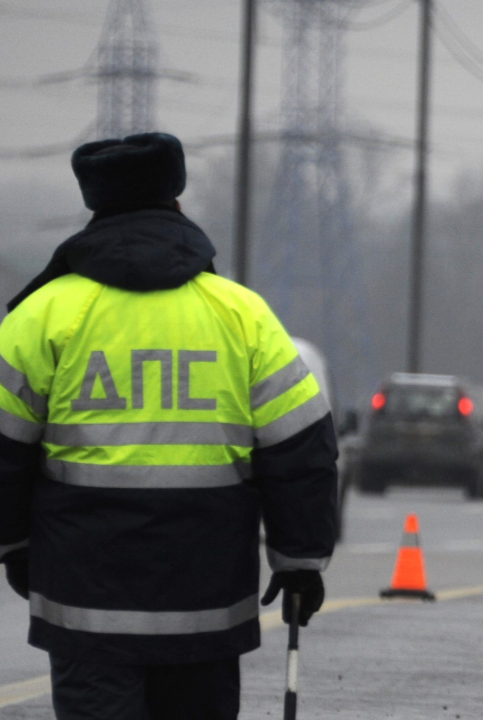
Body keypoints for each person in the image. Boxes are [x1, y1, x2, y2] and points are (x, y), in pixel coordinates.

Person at [0, 132, 338, 720]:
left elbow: (2, 451)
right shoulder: (242, 315)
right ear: (176, 202)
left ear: (95, 209)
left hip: (84, 606)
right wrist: (300, 560)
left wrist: (14, 546)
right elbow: (301, 449)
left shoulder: (43, 315)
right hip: (205, 606)